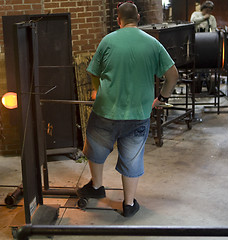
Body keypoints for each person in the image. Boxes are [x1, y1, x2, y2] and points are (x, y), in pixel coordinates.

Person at [77, 1, 179, 217]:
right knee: (132, 158)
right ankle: (129, 204)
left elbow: (94, 72)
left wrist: (97, 91)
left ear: (118, 20)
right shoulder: (153, 44)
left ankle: (96, 187)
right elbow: (173, 75)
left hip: (105, 110)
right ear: (139, 18)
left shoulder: (108, 41)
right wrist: (161, 97)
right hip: (138, 114)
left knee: (95, 147)